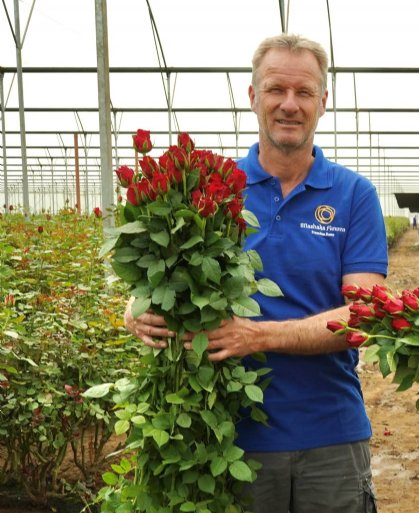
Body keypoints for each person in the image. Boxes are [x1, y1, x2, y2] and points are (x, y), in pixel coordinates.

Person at [125, 33, 387, 513]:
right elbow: (166, 277)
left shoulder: (353, 195)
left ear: (323, 103)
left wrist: (257, 336)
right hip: (225, 436)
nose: (289, 104)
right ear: (252, 97)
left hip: (330, 436)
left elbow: (364, 316)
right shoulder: (210, 189)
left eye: (304, 92)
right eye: (275, 89)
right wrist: (139, 307)